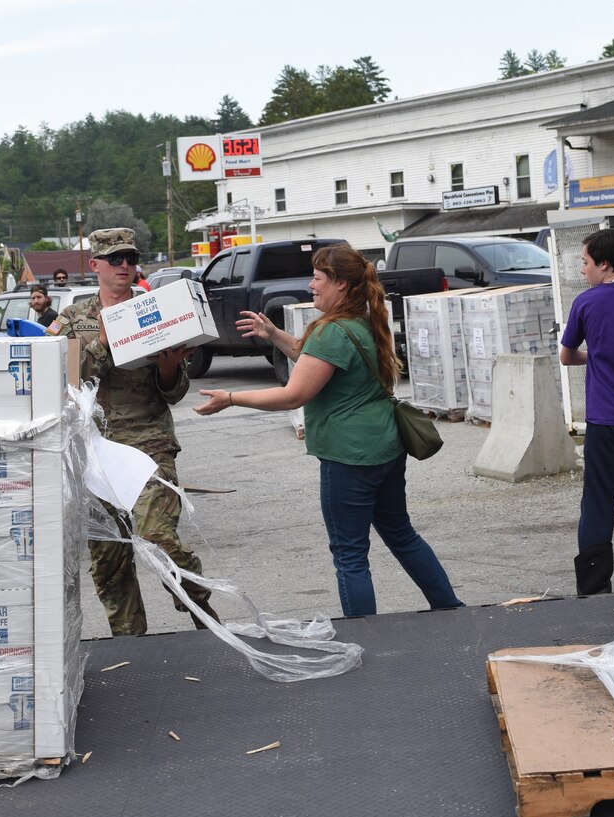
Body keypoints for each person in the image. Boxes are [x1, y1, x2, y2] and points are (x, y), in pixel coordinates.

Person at [193, 244, 462, 619]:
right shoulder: (361, 322)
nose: (311, 285)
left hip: (349, 456)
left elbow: (295, 394)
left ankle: (365, 633)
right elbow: (311, 360)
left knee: (350, 553)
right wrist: (273, 334)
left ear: (341, 285)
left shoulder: (331, 331)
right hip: (384, 447)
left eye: (318, 279)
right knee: (401, 534)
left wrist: (232, 397)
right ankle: (450, 608)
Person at [49, 228, 217, 635]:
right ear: (96, 266)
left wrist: (168, 366)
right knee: (109, 558)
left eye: (130, 258)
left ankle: (200, 609)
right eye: (115, 259)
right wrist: (104, 342)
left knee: (158, 538)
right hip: (94, 450)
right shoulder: (72, 320)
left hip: (148, 441)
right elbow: (65, 383)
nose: (124, 266)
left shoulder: (154, 310)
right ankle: (130, 645)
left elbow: (174, 392)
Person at [558, 229, 614, 597]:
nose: (582, 271)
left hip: (605, 421)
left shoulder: (586, 303)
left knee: (597, 504)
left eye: (585, 262)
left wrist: (596, 356)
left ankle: (594, 589)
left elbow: (567, 356)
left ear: (604, 264)